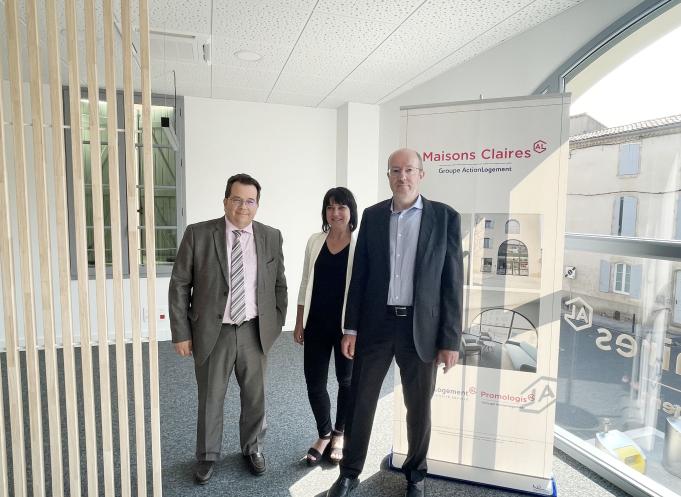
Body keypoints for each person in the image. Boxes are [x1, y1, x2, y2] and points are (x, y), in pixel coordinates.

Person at [326, 148, 463, 497]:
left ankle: (415, 473)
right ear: (388, 176)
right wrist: (350, 327)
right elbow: (360, 275)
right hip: (376, 325)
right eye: (396, 170)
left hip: (422, 330)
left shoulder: (445, 217)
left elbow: (452, 284)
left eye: (409, 170)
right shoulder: (372, 217)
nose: (403, 177)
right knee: (361, 402)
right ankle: (350, 472)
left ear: (421, 174)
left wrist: (450, 340)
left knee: (418, 407)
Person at [168, 173, 287, 484]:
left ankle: (253, 447)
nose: (243, 206)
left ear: (257, 205)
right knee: (211, 397)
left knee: (255, 396)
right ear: (225, 201)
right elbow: (180, 285)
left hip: (254, 331)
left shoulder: (271, 236)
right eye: (237, 199)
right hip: (213, 331)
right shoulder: (198, 234)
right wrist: (181, 332)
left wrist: (274, 326)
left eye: (250, 201)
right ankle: (207, 455)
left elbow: (279, 285)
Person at [294, 187, 358, 466]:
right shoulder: (314, 241)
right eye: (330, 207)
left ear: (351, 211)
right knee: (314, 383)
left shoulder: (360, 244)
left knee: (346, 381)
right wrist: (299, 321)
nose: (336, 213)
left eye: (341, 207)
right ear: (325, 212)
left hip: (347, 329)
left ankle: (340, 433)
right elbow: (306, 282)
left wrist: (357, 330)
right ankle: (323, 433)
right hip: (316, 324)